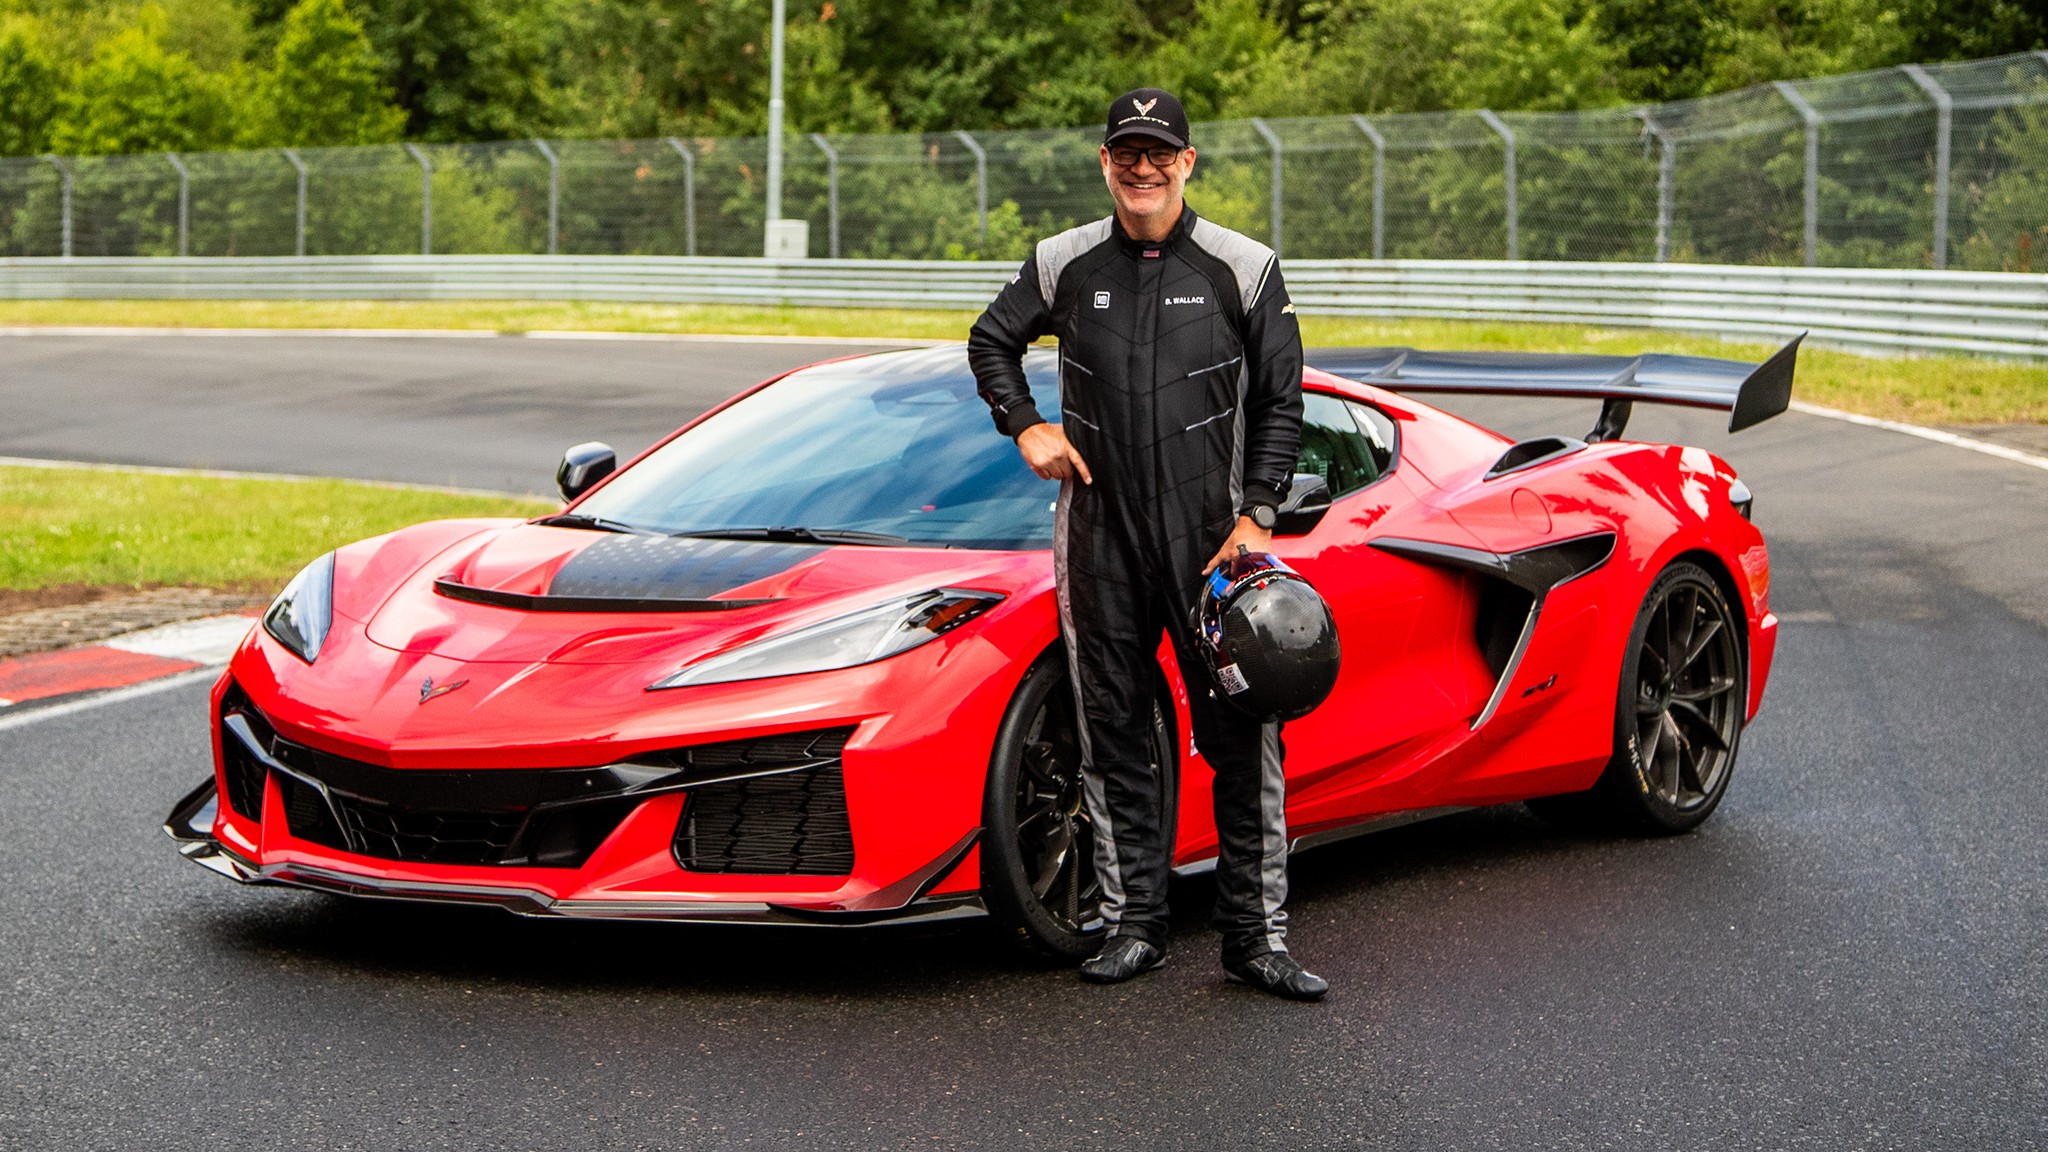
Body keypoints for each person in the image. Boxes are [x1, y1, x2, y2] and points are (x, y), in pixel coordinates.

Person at [967, 88, 1327, 1001]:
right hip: (1100, 538)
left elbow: (1282, 400)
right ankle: (1135, 925)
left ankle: (1256, 939)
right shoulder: (1062, 261)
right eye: (1126, 152)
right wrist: (1025, 425)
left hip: (1215, 546)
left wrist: (1258, 514)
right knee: (1114, 733)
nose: (1143, 168)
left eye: (1159, 153)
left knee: (1242, 738)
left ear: (1187, 162)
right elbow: (990, 340)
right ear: (1104, 161)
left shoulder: (1244, 266)